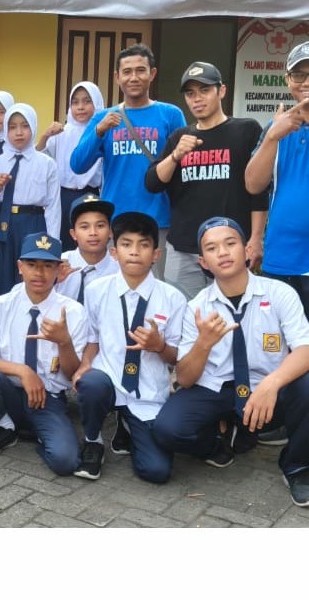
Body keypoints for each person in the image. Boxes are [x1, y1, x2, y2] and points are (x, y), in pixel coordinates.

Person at [153, 217, 309, 507]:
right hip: (218, 389)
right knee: (167, 429)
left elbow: (305, 348)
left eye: (230, 243)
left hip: (267, 391)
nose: (222, 252)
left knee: (306, 384)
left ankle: (297, 466)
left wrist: (272, 383)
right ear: (203, 262)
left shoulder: (279, 293)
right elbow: (185, 379)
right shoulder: (197, 307)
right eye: (212, 248)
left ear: (247, 250)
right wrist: (203, 343)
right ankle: (218, 442)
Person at [72, 211, 186, 482]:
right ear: (114, 252)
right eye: (126, 244)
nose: (134, 252)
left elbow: (176, 357)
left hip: (147, 392)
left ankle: (129, 425)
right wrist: (85, 365)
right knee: (91, 383)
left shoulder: (173, 298)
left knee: (157, 471)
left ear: (155, 254)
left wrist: (159, 346)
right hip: (108, 379)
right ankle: (93, 441)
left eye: (143, 245)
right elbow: (93, 337)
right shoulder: (96, 290)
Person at [0, 232, 86, 475]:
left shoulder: (72, 311)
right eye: (32, 264)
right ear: (20, 267)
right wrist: (23, 371)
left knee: (65, 461)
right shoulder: (1, 305)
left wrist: (64, 342)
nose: (39, 273)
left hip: (48, 398)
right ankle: (4, 425)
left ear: (59, 269)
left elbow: (73, 374)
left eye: (47, 265)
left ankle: (36, 431)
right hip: (9, 392)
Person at [145, 61, 267, 299]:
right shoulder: (179, 137)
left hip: (230, 247)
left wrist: (256, 238)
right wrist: (175, 156)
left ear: (222, 91)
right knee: (183, 314)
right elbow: (152, 183)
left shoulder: (246, 130)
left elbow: (259, 191)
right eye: (190, 93)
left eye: (204, 90)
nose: (197, 99)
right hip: (184, 248)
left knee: (232, 312)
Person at [70, 43, 186, 278]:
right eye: (127, 72)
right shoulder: (103, 118)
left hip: (158, 219)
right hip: (115, 220)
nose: (134, 77)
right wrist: (99, 131)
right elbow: (77, 164)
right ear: (117, 77)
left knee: (155, 287)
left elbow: (184, 165)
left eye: (141, 70)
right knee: (114, 286)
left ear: (152, 74)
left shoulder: (170, 114)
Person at [245, 41, 309, 317]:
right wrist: (273, 136)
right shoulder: (277, 127)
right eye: (299, 74)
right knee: (278, 339)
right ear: (287, 80)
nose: (306, 82)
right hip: (282, 258)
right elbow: (253, 184)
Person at [0, 102, 61, 296]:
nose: (19, 132)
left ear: (34, 127)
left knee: (32, 275)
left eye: (25, 126)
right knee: (3, 277)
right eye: (12, 127)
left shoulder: (46, 163)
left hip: (33, 223)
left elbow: (53, 206)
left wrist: (54, 242)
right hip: (3, 225)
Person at [37, 81, 105, 252]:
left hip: (91, 195)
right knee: (64, 244)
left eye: (87, 101)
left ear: (97, 103)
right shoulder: (62, 132)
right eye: (75, 102)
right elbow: (41, 159)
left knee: (90, 244)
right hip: (63, 197)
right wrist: (46, 136)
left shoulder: (101, 132)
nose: (80, 107)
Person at [55, 193, 118, 303]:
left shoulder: (120, 268)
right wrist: (52, 282)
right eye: (84, 227)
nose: (93, 233)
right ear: (73, 234)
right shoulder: (58, 264)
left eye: (100, 226)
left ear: (110, 232)